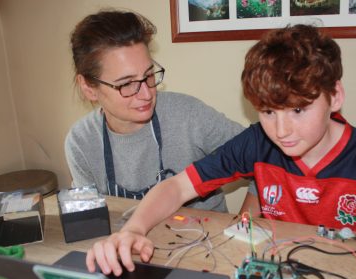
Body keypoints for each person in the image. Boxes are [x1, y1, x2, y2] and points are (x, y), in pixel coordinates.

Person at [86, 24, 356, 275]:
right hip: (276, 273)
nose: (281, 131)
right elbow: (177, 186)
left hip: (349, 277)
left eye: (298, 110)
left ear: (335, 96)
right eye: (268, 112)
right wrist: (132, 230)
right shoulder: (258, 143)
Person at [65, 9, 255, 213]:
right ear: (89, 88)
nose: (147, 94)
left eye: (149, 75)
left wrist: (244, 225)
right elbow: (90, 218)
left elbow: (266, 155)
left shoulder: (188, 116)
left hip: (207, 239)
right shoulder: (80, 142)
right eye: (127, 84)